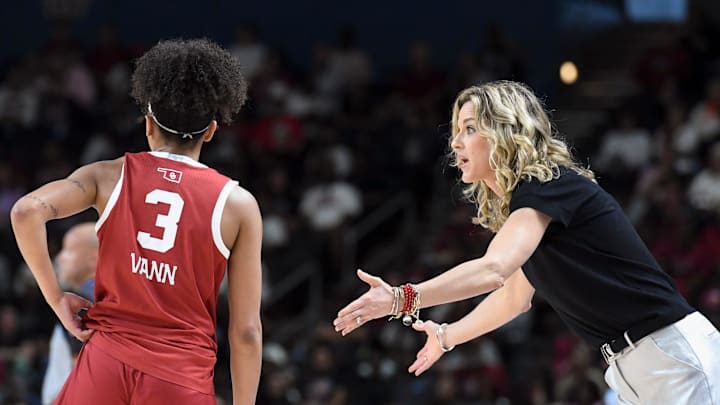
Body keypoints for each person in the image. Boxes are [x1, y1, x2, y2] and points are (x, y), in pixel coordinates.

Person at [333, 80, 720, 404]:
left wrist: (402, 298)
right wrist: (446, 335)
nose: (456, 142)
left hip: (669, 353)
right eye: (456, 130)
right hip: (636, 365)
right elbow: (514, 298)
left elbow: (494, 270)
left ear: (505, 131)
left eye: (470, 128)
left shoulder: (550, 183)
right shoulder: (532, 206)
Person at [11, 39, 263, 404]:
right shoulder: (238, 205)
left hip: (104, 364)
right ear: (210, 130)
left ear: (148, 124)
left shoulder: (108, 176)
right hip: (180, 377)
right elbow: (246, 332)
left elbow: (25, 211)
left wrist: (56, 299)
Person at [42, 222, 98, 405]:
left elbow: (84, 381)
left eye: (68, 251)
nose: (59, 258)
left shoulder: (84, 304)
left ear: (94, 259)